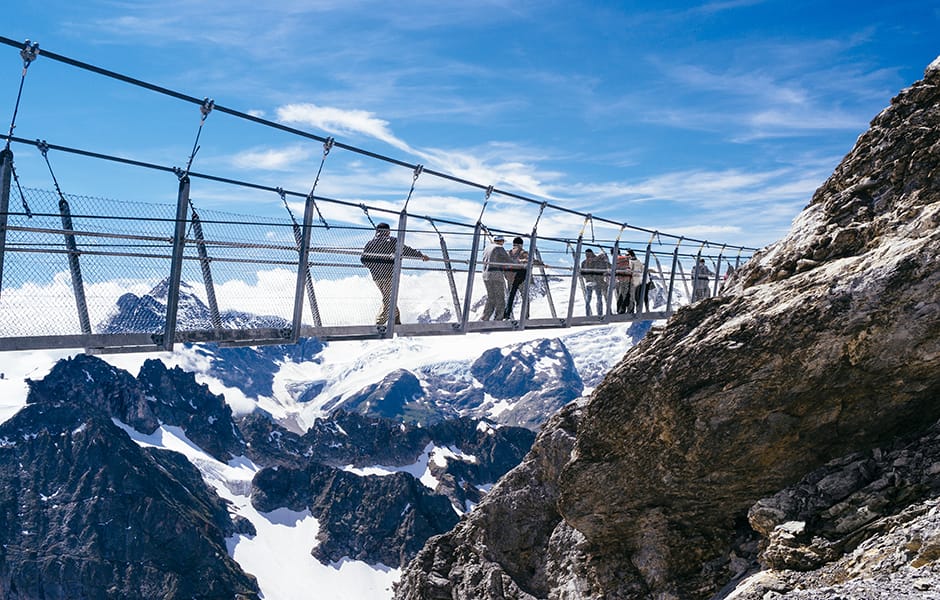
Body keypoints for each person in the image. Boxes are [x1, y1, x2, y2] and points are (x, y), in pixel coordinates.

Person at [360, 222, 429, 325]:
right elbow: (406, 250)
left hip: (377, 277)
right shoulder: (391, 242)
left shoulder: (370, 244)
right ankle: (379, 324)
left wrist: (374, 267)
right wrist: (420, 256)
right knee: (389, 299)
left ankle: (396, 322)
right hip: (390, 275)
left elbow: (363, 259)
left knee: (389, 297)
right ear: (388, 232)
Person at [481, 235, 511, 320]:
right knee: (500, 298)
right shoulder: (499, 248)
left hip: (486, 275)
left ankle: (485, 317)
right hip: (496, 276)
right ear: (501, 241)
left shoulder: (487, 248)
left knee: (491, 298)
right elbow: (508, 260)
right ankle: (498, 318)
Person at [503, 237, 529, 320]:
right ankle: (525, 317)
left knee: (510, 296)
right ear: (521, 244)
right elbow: (530, 260)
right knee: (525, 297)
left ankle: (507, 315)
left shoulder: (508, 253)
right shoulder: (523, 252)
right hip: (520, 277)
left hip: (510, 277)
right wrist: (543, 264)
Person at [580, 249, 609, 316]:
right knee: (598, 298)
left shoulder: (584, 262)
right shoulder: (597, 261)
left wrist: (588, 278)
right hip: (596, 282)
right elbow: (604, 269)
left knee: (589, 300)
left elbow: (582, 273)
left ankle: (588, 314)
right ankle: (599, 314)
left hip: (590, 282)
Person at [615, 250, 633, 314]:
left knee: (622, 295)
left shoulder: (617, 259)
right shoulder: (626, 259)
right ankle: (628, 309)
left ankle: (621, 310)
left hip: (621, 279)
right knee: (627, 295)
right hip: (627, 279)